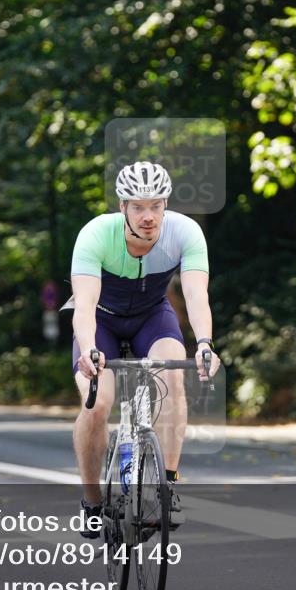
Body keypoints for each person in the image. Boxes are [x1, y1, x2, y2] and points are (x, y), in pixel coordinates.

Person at [68, 161, 221, 538]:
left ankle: (166, 488)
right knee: (97, 402)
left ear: (166, 203)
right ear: (122, 207)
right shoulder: (96, 235)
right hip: (100, 320)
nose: (149, 216)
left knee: (173, 374)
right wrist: (88, 350)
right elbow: (84, 307)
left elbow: (196, 294)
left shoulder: (185, 233)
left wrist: (204, 343)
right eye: (138, 206)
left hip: (152, 316)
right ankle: (91, 500)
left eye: (156, 205)